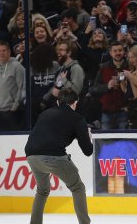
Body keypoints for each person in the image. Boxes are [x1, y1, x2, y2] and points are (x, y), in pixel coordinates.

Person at [25, 88, 93, 224]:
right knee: (77, 187)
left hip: (31, 155)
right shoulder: (77, 118)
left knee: (42, 191)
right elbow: (88, 151)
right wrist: (87, 136)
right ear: (75, 102)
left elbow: (49, 134)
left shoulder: (45, 114)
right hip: (53, 156)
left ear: (57, 102)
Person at [0, 41, 25, 130]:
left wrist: (15, 106)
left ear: (9, 52)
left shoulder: (17, 66)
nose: (1, 53)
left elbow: (22, 87)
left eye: (4, 50)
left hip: (11, 112)